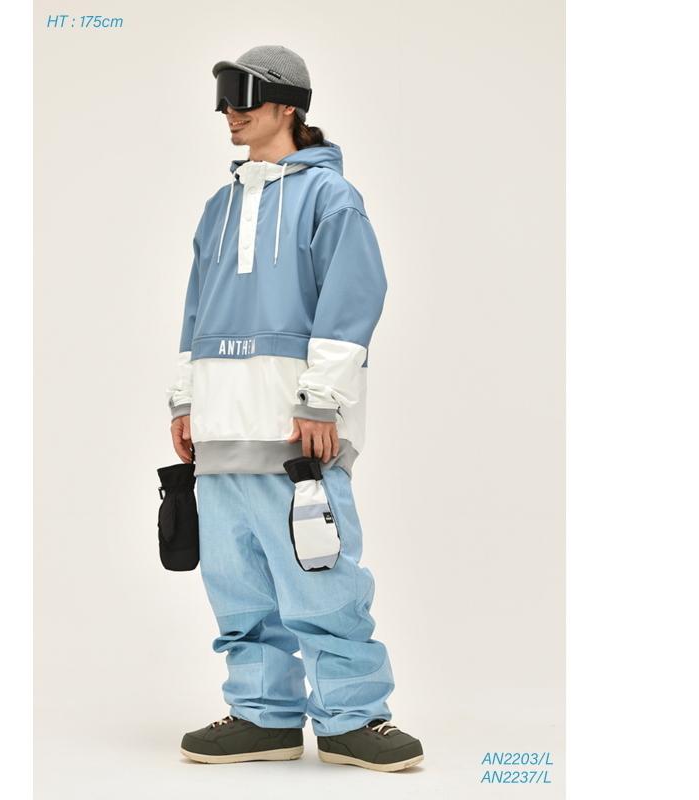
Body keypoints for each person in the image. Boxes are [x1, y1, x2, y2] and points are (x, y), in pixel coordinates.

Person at [165, 45, 423, 772]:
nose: (231, 110)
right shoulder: (219, 208)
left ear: (288, 106)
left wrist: (321, 398)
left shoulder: (330, 198)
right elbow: (195, 311)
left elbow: (353, 299)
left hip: (294, 429)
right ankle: (262, 716)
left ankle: (353, 718)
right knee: (236, 581)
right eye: (224, 97)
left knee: (320, 575)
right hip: (221, 425)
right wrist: (186, 399)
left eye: (245, 95)